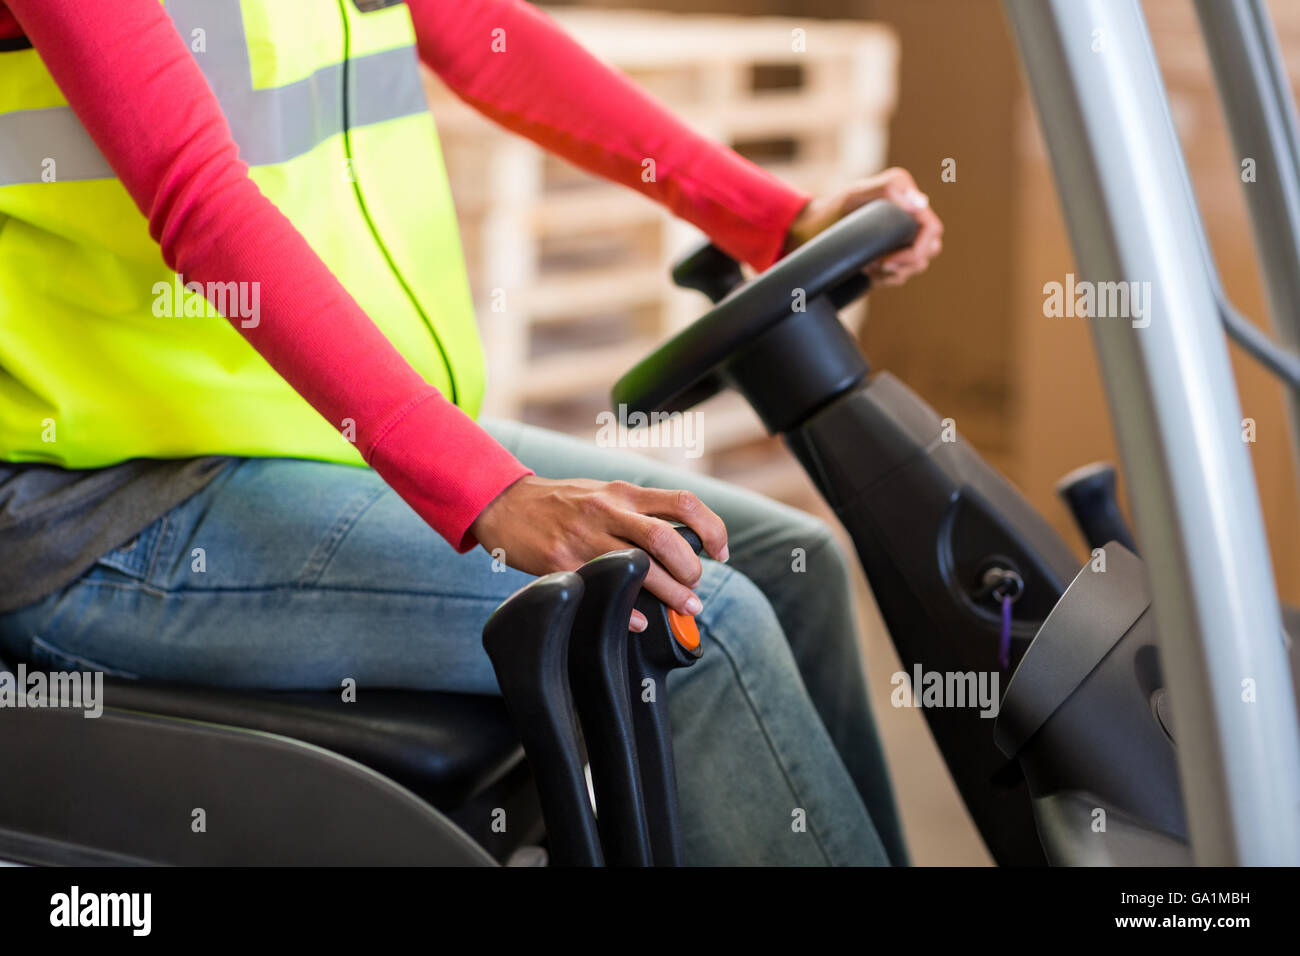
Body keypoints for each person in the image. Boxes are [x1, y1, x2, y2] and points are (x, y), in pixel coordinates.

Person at [0, 0, 942, 865]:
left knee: (790, 560)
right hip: (109, 506)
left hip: (289, 435)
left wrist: (771, 217)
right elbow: (199, 201)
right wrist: (486, 491)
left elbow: (492, 41)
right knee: (694, 620)